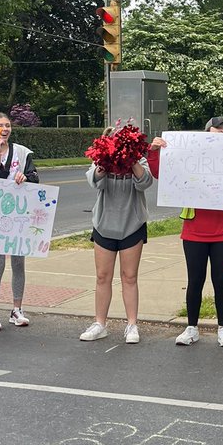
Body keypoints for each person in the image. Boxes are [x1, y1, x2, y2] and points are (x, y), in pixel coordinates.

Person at [148, 117, 223, 348]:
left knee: (220, 280)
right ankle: (191, 328)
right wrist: (153, 151)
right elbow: (160, 174)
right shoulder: (190, 155)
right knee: (195, 280)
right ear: (206, 132)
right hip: (194, 231)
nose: (221, 132)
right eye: (217, 129)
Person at [80, 141, 153, 345]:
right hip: (104, 224)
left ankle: (131, 324)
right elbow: (94, 180)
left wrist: (131, 160)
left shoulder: (139, 160)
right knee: (103, 276)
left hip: (132, 223)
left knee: (129, 277)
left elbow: (145, 182)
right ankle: (100, 324)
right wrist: (103, 165)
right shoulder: (101, 160)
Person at [0, 111, 39, 331]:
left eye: (7, 125)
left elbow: (35, 175)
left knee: (18, 262)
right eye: (0, 126)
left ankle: (17, 309)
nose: (5, 129)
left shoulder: (22, 152)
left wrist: (26, 177)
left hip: (18, 215)